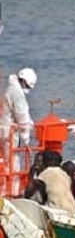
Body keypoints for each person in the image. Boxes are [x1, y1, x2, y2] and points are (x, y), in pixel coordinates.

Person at [0, 68, 37, 196]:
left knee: (7, 162)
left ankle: (7, 190)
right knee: (13, 164)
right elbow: (22, 115)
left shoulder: (11, 88)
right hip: (10, 134)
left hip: (6, 131)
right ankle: (12, 192)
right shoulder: (17, 93)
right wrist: (26, 138)